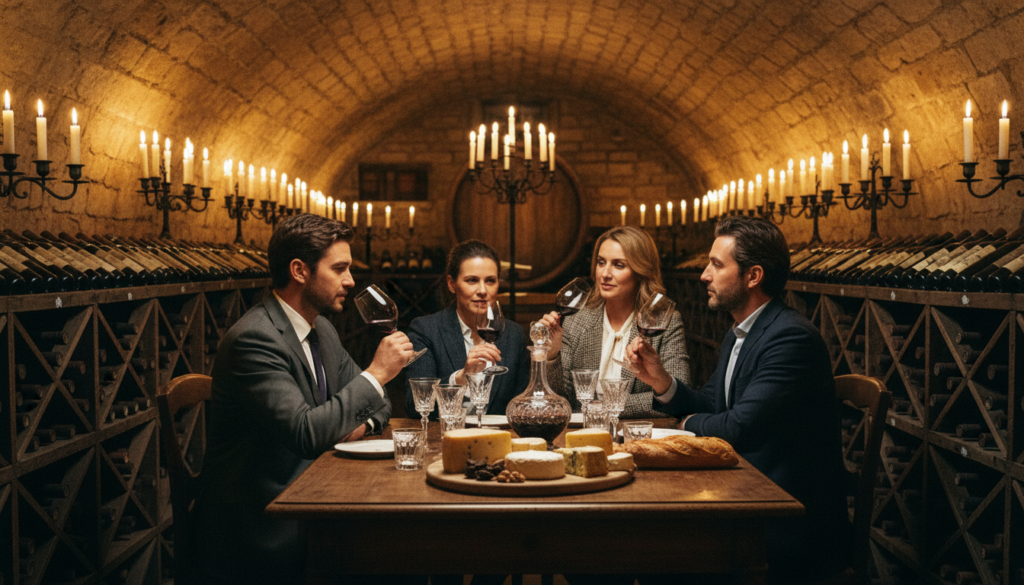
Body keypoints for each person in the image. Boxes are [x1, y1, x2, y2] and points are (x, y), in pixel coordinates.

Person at [194, 214, 413, 584]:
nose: (351, 280)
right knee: (395, 556)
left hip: (313, 492)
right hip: (262, 520)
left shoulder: (320, 327)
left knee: (402, 545)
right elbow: (307, 433)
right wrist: (377, 374)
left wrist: (352, 423)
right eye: (340, 268)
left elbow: (378, 404)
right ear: (299, 270)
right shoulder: (255, 339)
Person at [628, 216, 847, 583]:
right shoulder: (741, 330)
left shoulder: (790, 338)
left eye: (716, 264)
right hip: (747, 496)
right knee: (651, 546)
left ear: (753, 276)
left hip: (787, 522)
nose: (704, 275)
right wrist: (662, 382)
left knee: (658, 555)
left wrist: (684, 425)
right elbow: (714, 403)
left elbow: (738, 427)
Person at [537, 225, 690, 418]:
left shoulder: (665, 322)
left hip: (638, 437)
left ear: (640, 271)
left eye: (619, 265)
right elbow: (560, 399)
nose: (605, 274)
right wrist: (551, 356)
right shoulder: (577, 320)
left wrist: (600, 406)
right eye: (601, 262)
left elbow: (678, 396)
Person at [405, 240, 529, 418]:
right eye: (472, 280)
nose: (482, 290)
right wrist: (461, 378)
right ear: (451, 284)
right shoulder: (426, 330)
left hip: (498, 441)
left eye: (490, 281)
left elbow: (522, 405)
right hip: (447, 440)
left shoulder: (513, 334)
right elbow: (414, 407)